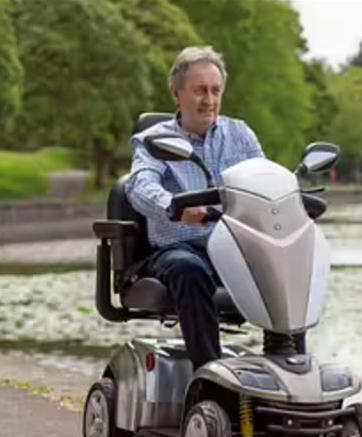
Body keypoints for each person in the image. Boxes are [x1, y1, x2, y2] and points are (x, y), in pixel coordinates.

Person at [126, 46, 296, 370]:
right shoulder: (154, 140)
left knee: (284, 262)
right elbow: (139, 186)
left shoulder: (240, 134)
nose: (209, 100)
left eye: (215, 90)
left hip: (233, 247)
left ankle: (287, 365)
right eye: (200, 90)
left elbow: (265, 180)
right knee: (188, 269)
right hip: (178, 247)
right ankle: (209, 377)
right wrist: (175, 207)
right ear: (177, 94)